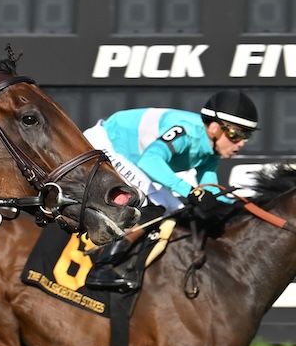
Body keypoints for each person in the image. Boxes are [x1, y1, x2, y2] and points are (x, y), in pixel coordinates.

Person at [83, 89, 258, 291]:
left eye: (247, 136)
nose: (241, 143)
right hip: (106, 145)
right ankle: (103, 266)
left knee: (175, 206)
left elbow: (208, 189)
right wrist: (190, 192)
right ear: (214, 129)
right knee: (159, 205)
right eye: (236, 134)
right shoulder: (186, 131)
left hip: (131, 157)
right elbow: (150, 161)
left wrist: (236, 206)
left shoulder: (211, 150)